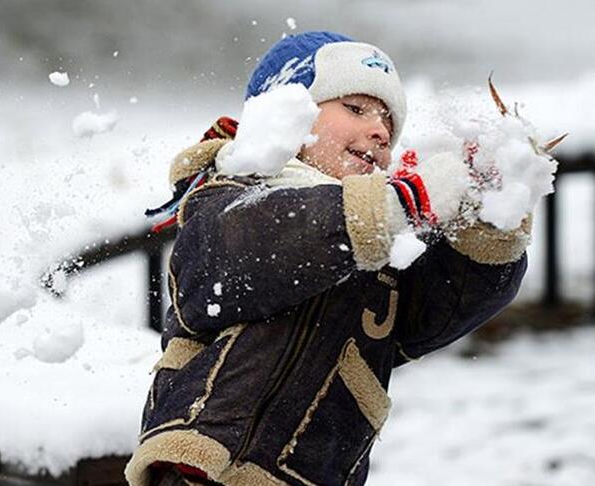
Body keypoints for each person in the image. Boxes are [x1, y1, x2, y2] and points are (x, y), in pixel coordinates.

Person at [126, 31, 531, 486]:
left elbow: (444, 307)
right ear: (286, 116)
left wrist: (490, 221)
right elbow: (273, 245)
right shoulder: (228, 197)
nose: (379, 131)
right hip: (202, 466)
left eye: (388, 125)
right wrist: (400, 204)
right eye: (356, 109)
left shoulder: (377, 246)